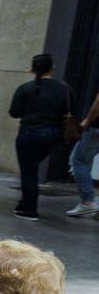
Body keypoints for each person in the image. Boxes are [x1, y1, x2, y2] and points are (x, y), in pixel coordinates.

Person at [8, 53, 74, 221]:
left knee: (29, 171)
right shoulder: (64, 88)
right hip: (52, 135)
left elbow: (14, 112)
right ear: (52, 68)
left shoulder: (25, 88)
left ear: (32, 69)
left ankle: (29, 209)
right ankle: (24, 203)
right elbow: (72, 109)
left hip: (29, 134)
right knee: (31, 168)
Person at [65, 87, 99, 217]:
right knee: (82, 161)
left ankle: (88, 202)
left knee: (78, 161)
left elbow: (97, 105)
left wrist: (87, 121)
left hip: (96, 129)